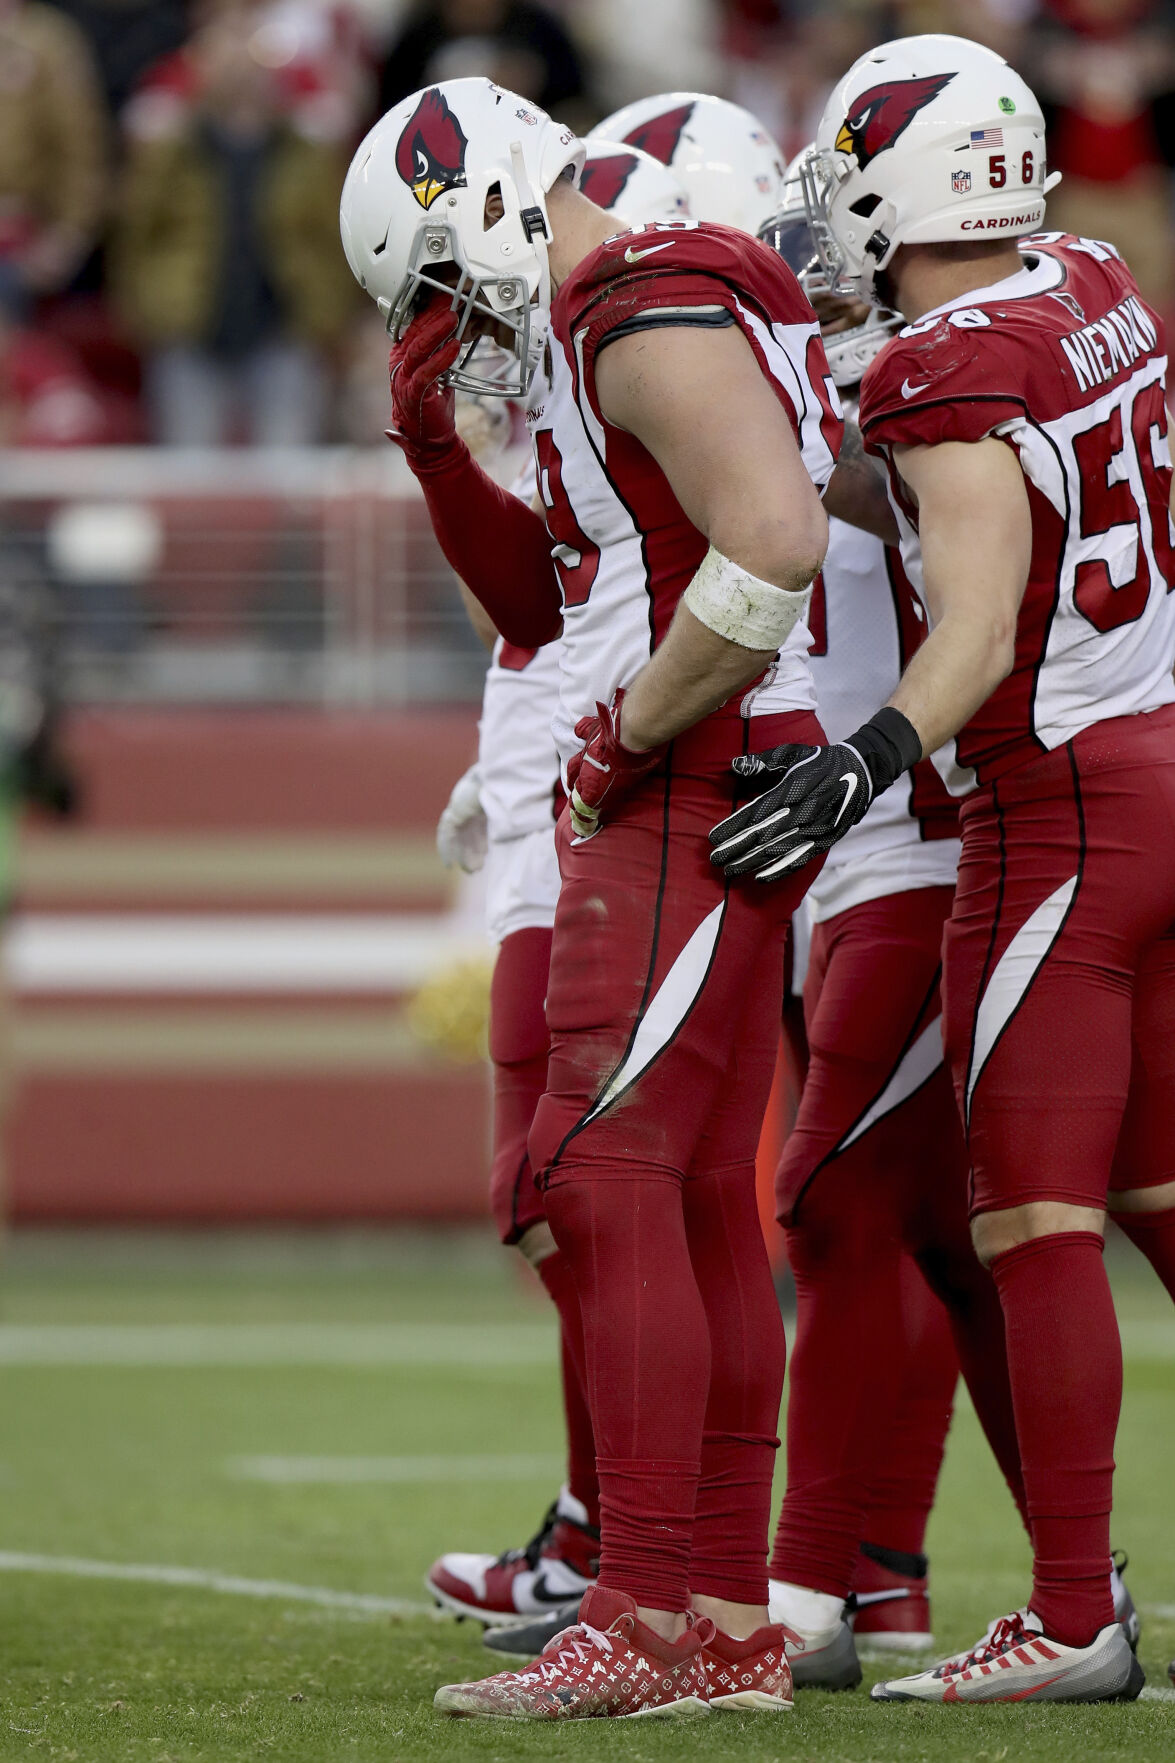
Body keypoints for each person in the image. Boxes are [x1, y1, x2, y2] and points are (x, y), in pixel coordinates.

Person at [342, 74, 844, 1718]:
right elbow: (555, 591)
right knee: (688, 1192)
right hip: (692, 756)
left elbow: (769, 541)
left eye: (428, 283)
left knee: (613, 1167)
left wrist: (627, 733)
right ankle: (717, 1621)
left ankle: (638, 1608)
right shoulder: (591, 321)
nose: (436, 326)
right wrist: (432, 447)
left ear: (475, 203)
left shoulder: (639, 302)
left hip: (689, 764)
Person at [712, 32, 1175, 1704]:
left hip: (1052, 805)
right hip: (1160, 760)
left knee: (1032, 1216)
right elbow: (931, 499)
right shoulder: (1094, 274)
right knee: (1154, 1199)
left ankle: (1069, 1611)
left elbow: (973, 617)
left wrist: (863, 761)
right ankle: (1044, 1601)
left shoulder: (944, 367)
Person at [424, 143, 689, 1646]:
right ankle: (645, 1543)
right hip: (573, 780)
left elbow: (709, 572)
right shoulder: (568, 347)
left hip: (637, 785)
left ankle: (681, 1552)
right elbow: (529, 609)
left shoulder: (644, 333)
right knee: (583, 1200)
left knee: (612, 1195)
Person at [111, 7, 355, 445]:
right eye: (226, 61)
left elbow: (335, 240)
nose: (239, 74)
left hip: (283, 331)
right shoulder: (171, 152)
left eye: (250, 62)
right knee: (190, 481)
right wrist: (152, 312)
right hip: (189, 332)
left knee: (289, 479)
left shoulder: (306, 152)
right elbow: (136, 236)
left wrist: (322, 317)